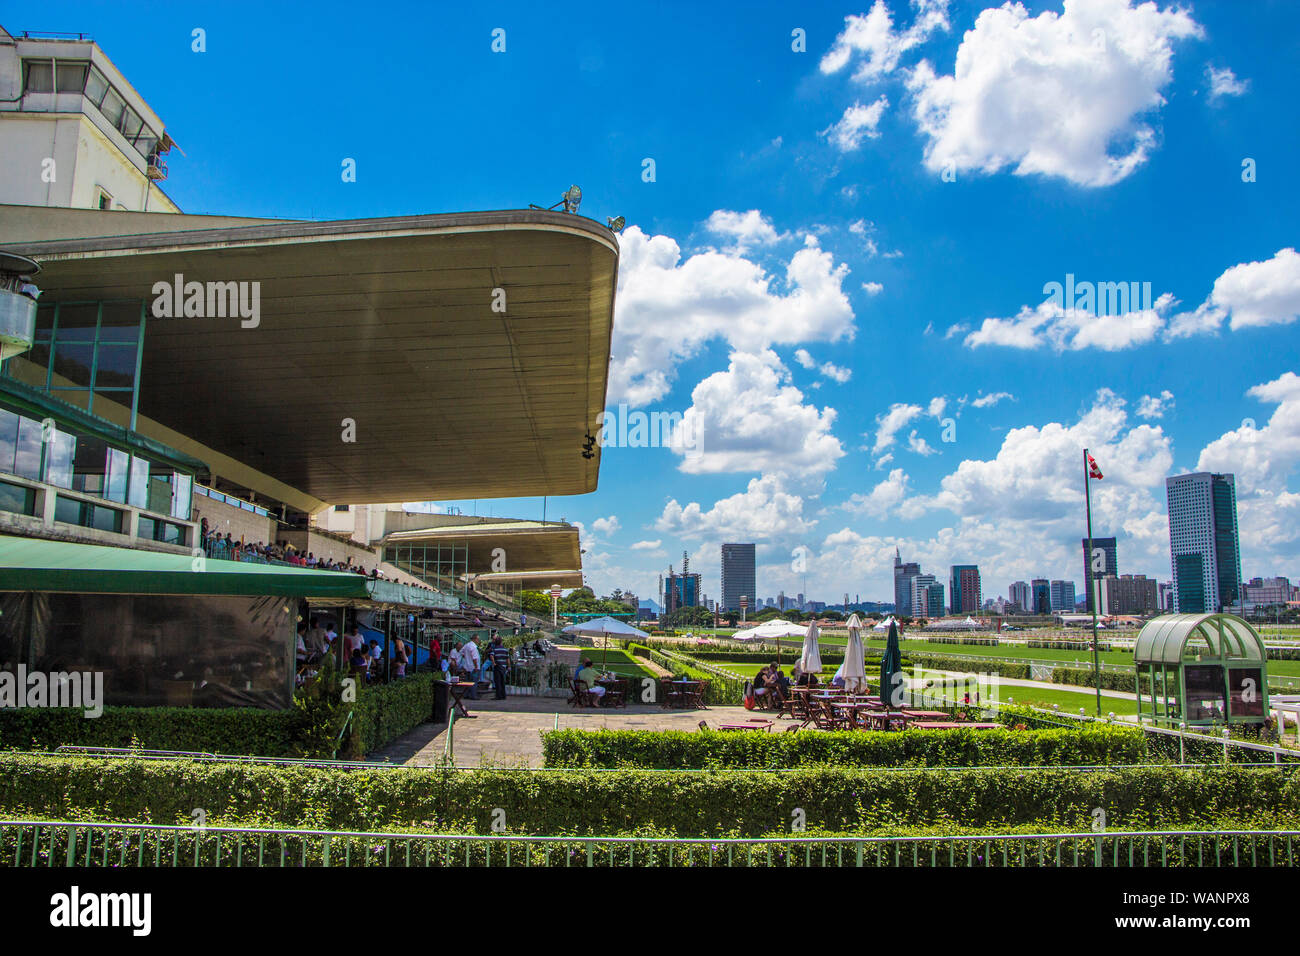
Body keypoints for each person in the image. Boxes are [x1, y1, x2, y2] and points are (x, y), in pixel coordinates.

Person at [490, 635, 510, 700]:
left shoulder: (494, 649)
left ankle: (498, 695)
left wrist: (494, 663)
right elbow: (507, 659)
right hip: (503, 667)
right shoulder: (505, 649)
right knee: (502, 681)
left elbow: (491, 655)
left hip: (497, 666)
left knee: (497, 681)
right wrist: (509, 666)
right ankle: (503, 695)